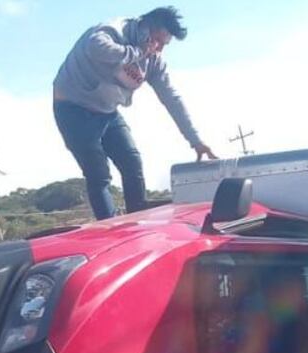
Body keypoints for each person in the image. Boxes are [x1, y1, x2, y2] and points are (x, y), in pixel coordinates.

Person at [53, 6, 217, 220]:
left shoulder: (153, 60)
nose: (159, 49)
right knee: (99, 174)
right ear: (147, 29)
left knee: (132, 163)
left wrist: (195, 140)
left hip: (107, 112)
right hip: (73, 108)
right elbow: (96, 47)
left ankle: (137, 220)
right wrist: (137, 52)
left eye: (164, 45)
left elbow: (171, 98)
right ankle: (111, 227)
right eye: (159, 41)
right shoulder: (115, 30)